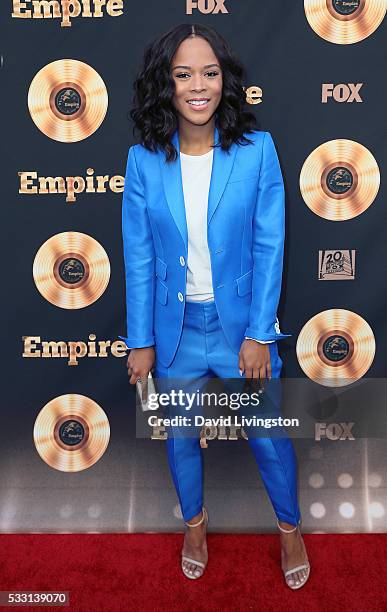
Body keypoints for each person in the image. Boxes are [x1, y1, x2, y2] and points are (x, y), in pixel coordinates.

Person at [119, 23, 310, 589]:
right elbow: (139, 259)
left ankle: (290, 528)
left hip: (240, 332)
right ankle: (196, 526)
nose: (197, 86)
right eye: (183, 75)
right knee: (179, 438)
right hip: (175, 332)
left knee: (270, 436)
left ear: (225, 81)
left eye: (209, 73)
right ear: (166, 84)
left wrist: (259, 333)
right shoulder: (143, 162)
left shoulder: (257, 152)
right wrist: (141, 341)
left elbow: (269, 246)